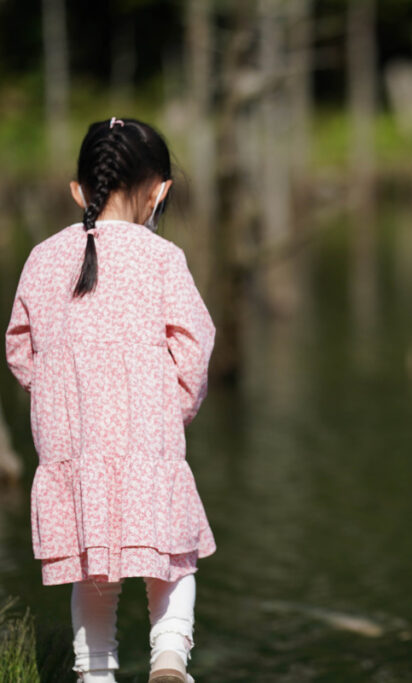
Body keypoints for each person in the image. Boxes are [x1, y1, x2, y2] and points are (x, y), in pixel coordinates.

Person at [4, 117, 217, 683]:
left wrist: (54, 391)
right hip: (148, 436)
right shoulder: (162, 258)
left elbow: (20, 349)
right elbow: (195, 347)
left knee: (93, 570)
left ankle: (95, 673)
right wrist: (171, 408)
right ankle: (170, 659)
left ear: (79, 190)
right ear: (161, 190)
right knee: (171, 555)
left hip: (72, 443)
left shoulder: (42, 258)